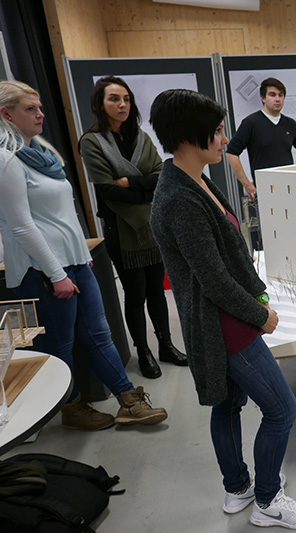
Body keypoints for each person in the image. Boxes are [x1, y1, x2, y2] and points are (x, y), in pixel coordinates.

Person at [149, 88, 296, 529]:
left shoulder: (193, 180)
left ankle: (238, 487)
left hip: (221, 318)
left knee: (227, 404)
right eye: (220, 130)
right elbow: (214, 280)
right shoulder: (177, 199)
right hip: (224, 324)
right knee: (283, 410)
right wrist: (260, 314)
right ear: (191, 135)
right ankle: (268, 501)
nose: (226, 140)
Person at [0, 80, 167, 431]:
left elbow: (65, 213)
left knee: (98, 334)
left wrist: (80, 255)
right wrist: (57, 273)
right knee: (59, 344)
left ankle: (127, 400)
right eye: (30, 109)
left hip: (74, 262)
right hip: (42, 271)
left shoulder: (41, 154)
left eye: (40, 106)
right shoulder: (6, 160)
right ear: (6, 114)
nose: (40, 114)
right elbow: (21, 227)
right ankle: (71, 408)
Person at [79, 75, 187, 379]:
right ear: (100, 104)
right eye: (114, 99)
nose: (122, 104)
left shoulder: (141, 136)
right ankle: (144, 351)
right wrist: (143, 189)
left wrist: (130, 183)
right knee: (135, 292)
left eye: (126, 99)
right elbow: (107, 190)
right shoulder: (91, 141)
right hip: (120, 228)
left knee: (157, 290)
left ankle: (165, 345)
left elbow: (161, 176)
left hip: (152, 225)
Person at [225, 77, 296, 200]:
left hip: (289, 188)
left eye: (281, 95)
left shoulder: (290, 124)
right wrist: (247, 185)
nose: (277, 99)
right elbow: (231, 153)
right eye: (272, 95)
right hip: (264, 189)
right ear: (263, 98)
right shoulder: (251, 123)